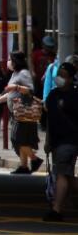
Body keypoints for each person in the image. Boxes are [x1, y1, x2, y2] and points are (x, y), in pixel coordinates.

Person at [42, 62, 78, 221]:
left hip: (70, 141)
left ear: (71, 78)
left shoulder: (75, 96)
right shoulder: (53, 95)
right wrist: (48, 141)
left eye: (64, 75)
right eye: (59, 74)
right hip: (56, 142)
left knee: (62, 173)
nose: (59, 78)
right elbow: (49, 120)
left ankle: (56, 210)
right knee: (67, 175)